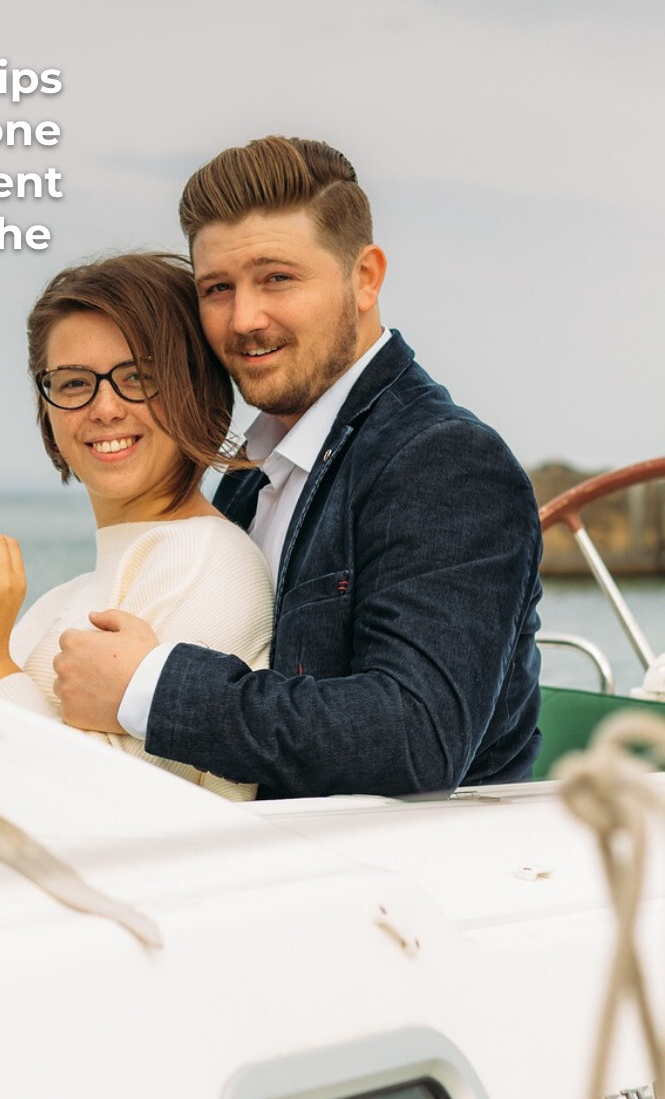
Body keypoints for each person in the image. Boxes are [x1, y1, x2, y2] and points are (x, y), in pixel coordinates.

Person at [51, 136, 543, 798]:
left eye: (277, 278)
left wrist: (148, 687)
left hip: (403, 858)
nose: (244, 319)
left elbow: (416, 737)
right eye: (217, 288)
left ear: (365, 277)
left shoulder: (444, 459)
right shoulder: (251, 473)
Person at [0, 251, 273, 800]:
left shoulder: (207, 559)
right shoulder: (68, 595)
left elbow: (111, 807)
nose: (105, 408)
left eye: (139, 378)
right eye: (74, 383)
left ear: (197, 389)